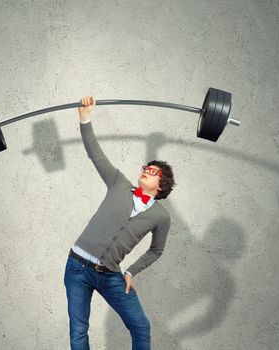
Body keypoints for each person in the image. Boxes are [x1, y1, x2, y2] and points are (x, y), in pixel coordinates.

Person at [64, 96, 176, 350]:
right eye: (147, 166)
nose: (148, 169)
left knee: (141, 327)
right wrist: (85, 118)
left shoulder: (161, 216)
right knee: (79, 331)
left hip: (110, 276)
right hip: (77, 268)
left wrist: (130, 271)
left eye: (155, 171)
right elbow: (96, 153)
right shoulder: (119, 183)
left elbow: (156, 250)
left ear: (161, 186)